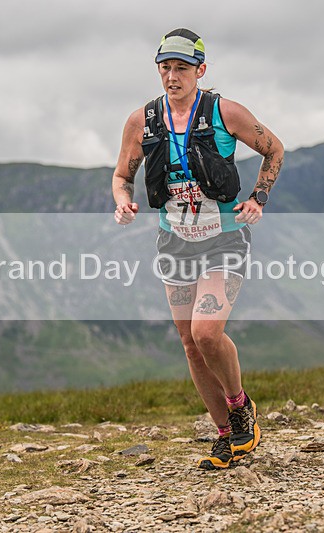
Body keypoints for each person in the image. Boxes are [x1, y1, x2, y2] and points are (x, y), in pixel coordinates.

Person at [111, 28, 284, 470]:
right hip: (174, 242)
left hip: (224, 238)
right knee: (190, 343)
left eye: (181, 69)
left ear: (200, 70)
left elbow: (274, 150)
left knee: (207, 332)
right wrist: (122, 201)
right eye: (165, 68)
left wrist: (258, 198)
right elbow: (122, 175)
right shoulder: (141, 121)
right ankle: (226, 434)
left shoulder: (225, 112)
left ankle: (240, 407)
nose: (172, 77)